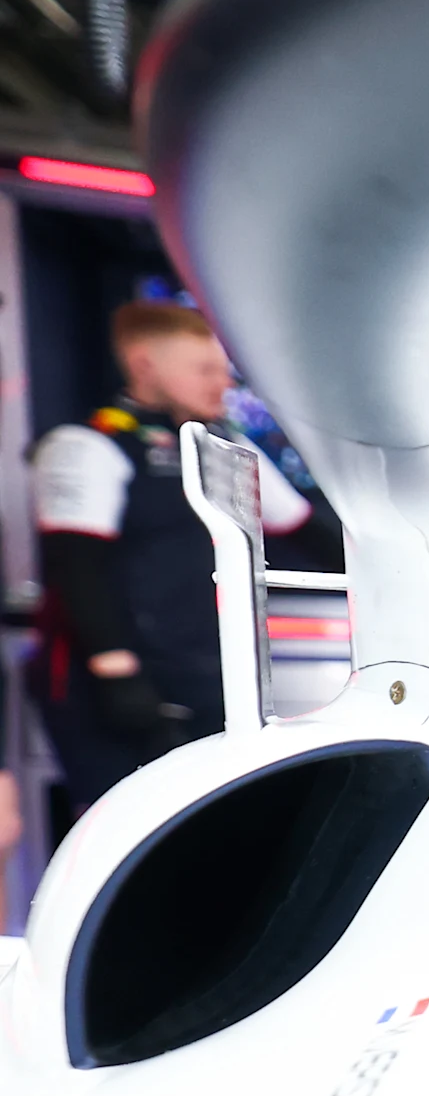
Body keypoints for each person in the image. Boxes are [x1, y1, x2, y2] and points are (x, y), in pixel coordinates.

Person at [31, 302, 315, 815]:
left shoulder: (225, 445)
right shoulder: (88, 445)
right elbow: (76, 565)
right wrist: (115, 672)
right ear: (146, 365)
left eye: (224, 372)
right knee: (124, 831)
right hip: (114, 691)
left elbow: (304, 528)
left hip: (205, 678)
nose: (221, 384)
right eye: (205, 370)